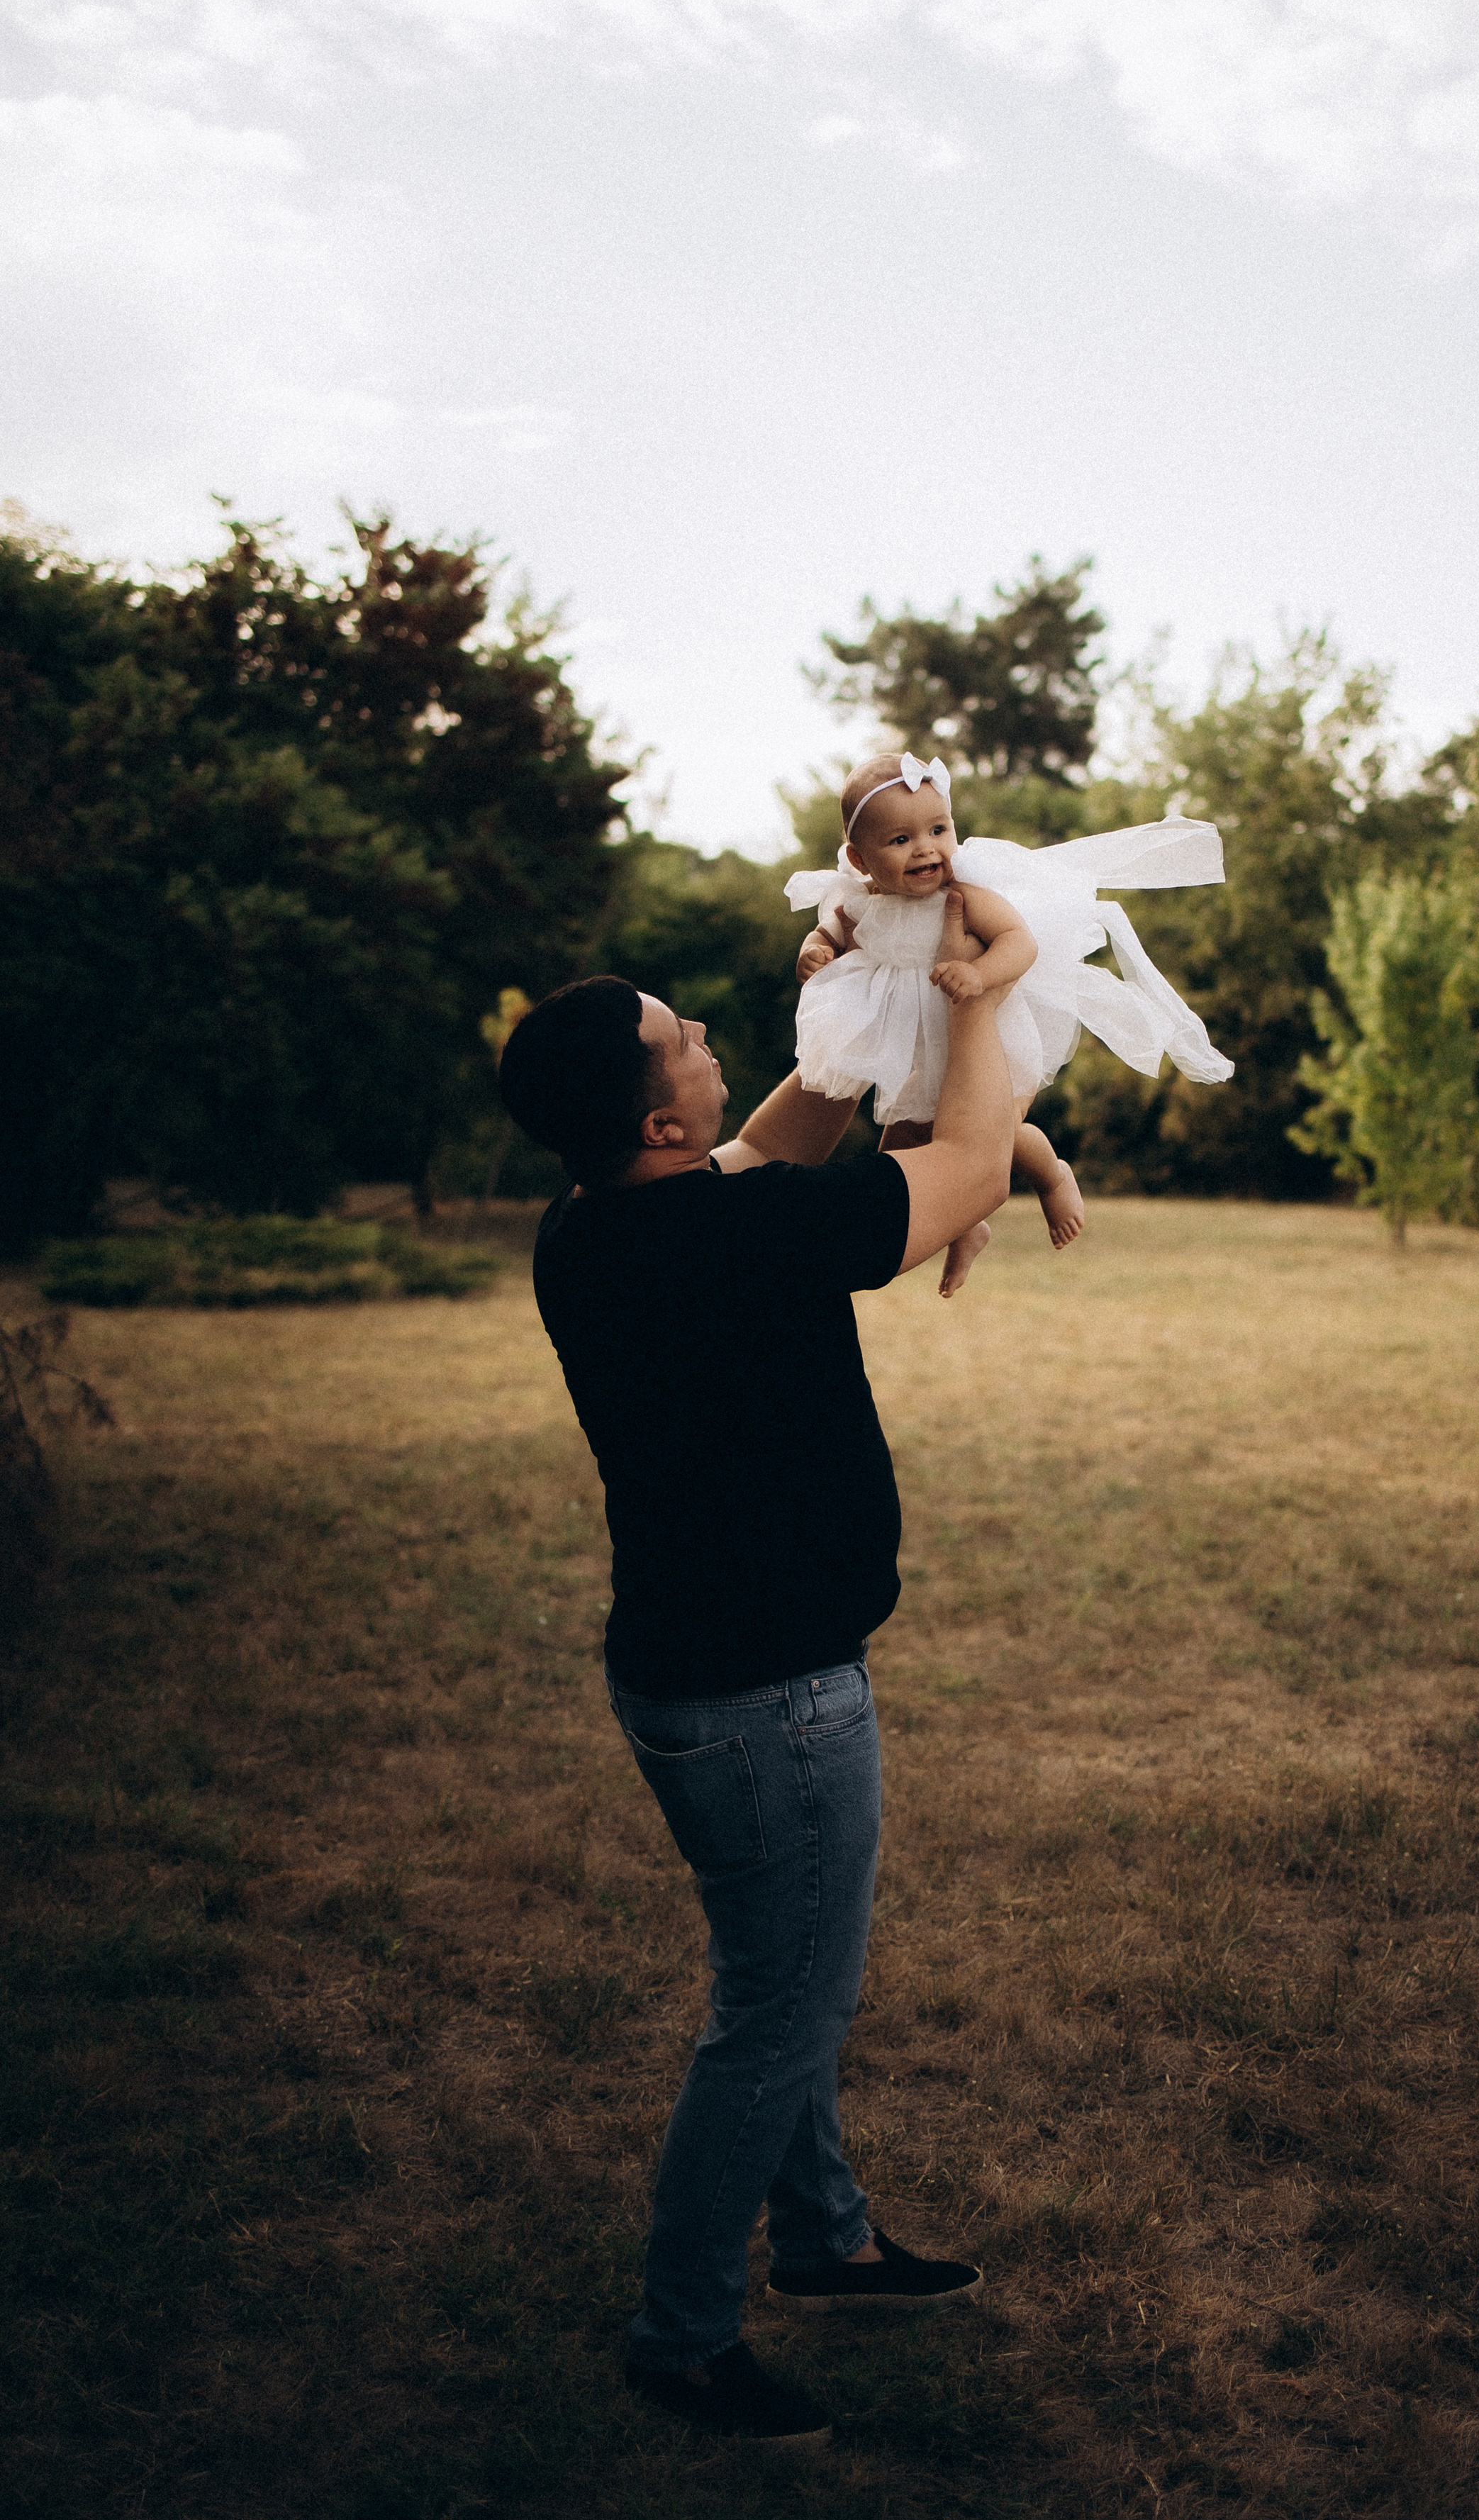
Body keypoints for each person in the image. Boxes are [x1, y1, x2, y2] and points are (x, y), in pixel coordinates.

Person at [497, 966, 1019, 2449]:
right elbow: (969, 1161)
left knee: (773, 1981)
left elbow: (771, 1142)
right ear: (661, 1114)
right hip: (769, 1698)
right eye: (685, 1036)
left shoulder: (593, 1228)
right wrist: (978, 995)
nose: (710, 1038)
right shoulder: (735, 1232)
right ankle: (682, 2335)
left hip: (683, 1674)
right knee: (778, 2013)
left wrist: (850, 1008)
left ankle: (827, 2237)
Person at [788, 751, 1234, 1292]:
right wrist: (813, 951)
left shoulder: (963, 895)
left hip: (981, 1045)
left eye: (938, 828)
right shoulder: (855, 903)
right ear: (860, 860)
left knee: (998, 1134)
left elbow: (1020, 941)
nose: (927, 847)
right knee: (904, 1156)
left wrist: (980, 975)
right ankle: (963, 1228)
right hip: (919, 1052)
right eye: (901, 840)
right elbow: (828, 934)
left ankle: (1052, 1177)